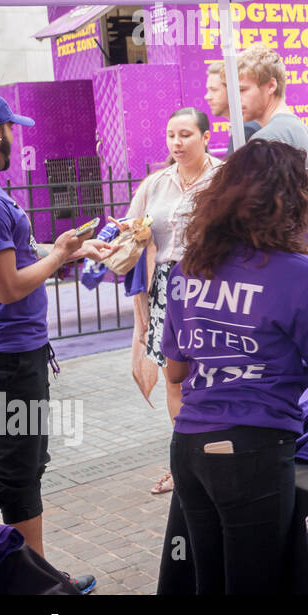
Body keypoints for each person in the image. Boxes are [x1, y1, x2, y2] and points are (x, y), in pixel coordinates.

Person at [162, 141, 308, 594]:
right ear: (290, 200)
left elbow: (175, 373)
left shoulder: (187, 269)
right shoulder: (298, 273)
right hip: (254, 448)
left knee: (209, 581)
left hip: (190, 448)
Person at [0, 93, 105, 594]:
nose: (15, 137)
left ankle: (40, 580)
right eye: (11, 129)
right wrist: (58, 256)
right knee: (12, 471)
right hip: (7, 359)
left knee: (25, 467)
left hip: (15, 355)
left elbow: (15, 270)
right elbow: (5, 288)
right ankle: (39, 581)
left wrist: (65, 252)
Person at [122, 107, 221, 502]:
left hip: (213, 286)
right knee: (174, 377)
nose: (177, 144)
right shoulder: (154, 184)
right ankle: (186, 463)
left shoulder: (224, 179)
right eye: (171, 136)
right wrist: (135, 233)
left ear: (206, 137)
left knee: (211, 373)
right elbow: (130, 228)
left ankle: (217, 456)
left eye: (185, 135)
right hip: (166, 288)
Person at [235, 47, 308, 168]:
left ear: (271, 86)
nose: (237, 98)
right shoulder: (306, 133)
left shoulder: (265, 141)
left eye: (242, 90)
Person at [203, 61, 260, 140]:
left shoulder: (247, 130)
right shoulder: (242, 128)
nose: (207, 97)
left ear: (232, 91)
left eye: (214, 90)